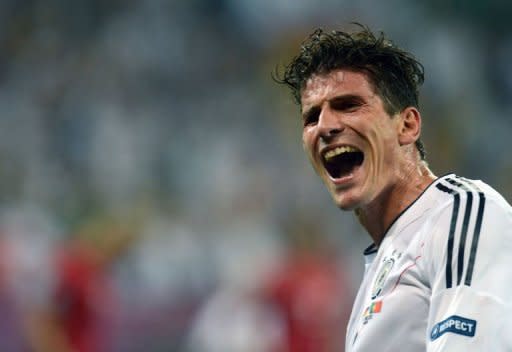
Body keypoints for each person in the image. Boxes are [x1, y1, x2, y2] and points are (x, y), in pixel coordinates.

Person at [274, 24, 512, 351]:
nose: (325, 127)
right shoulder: (377, 272)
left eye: (348, 105)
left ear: (407, 125)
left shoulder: (459, 212)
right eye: (312, 117)